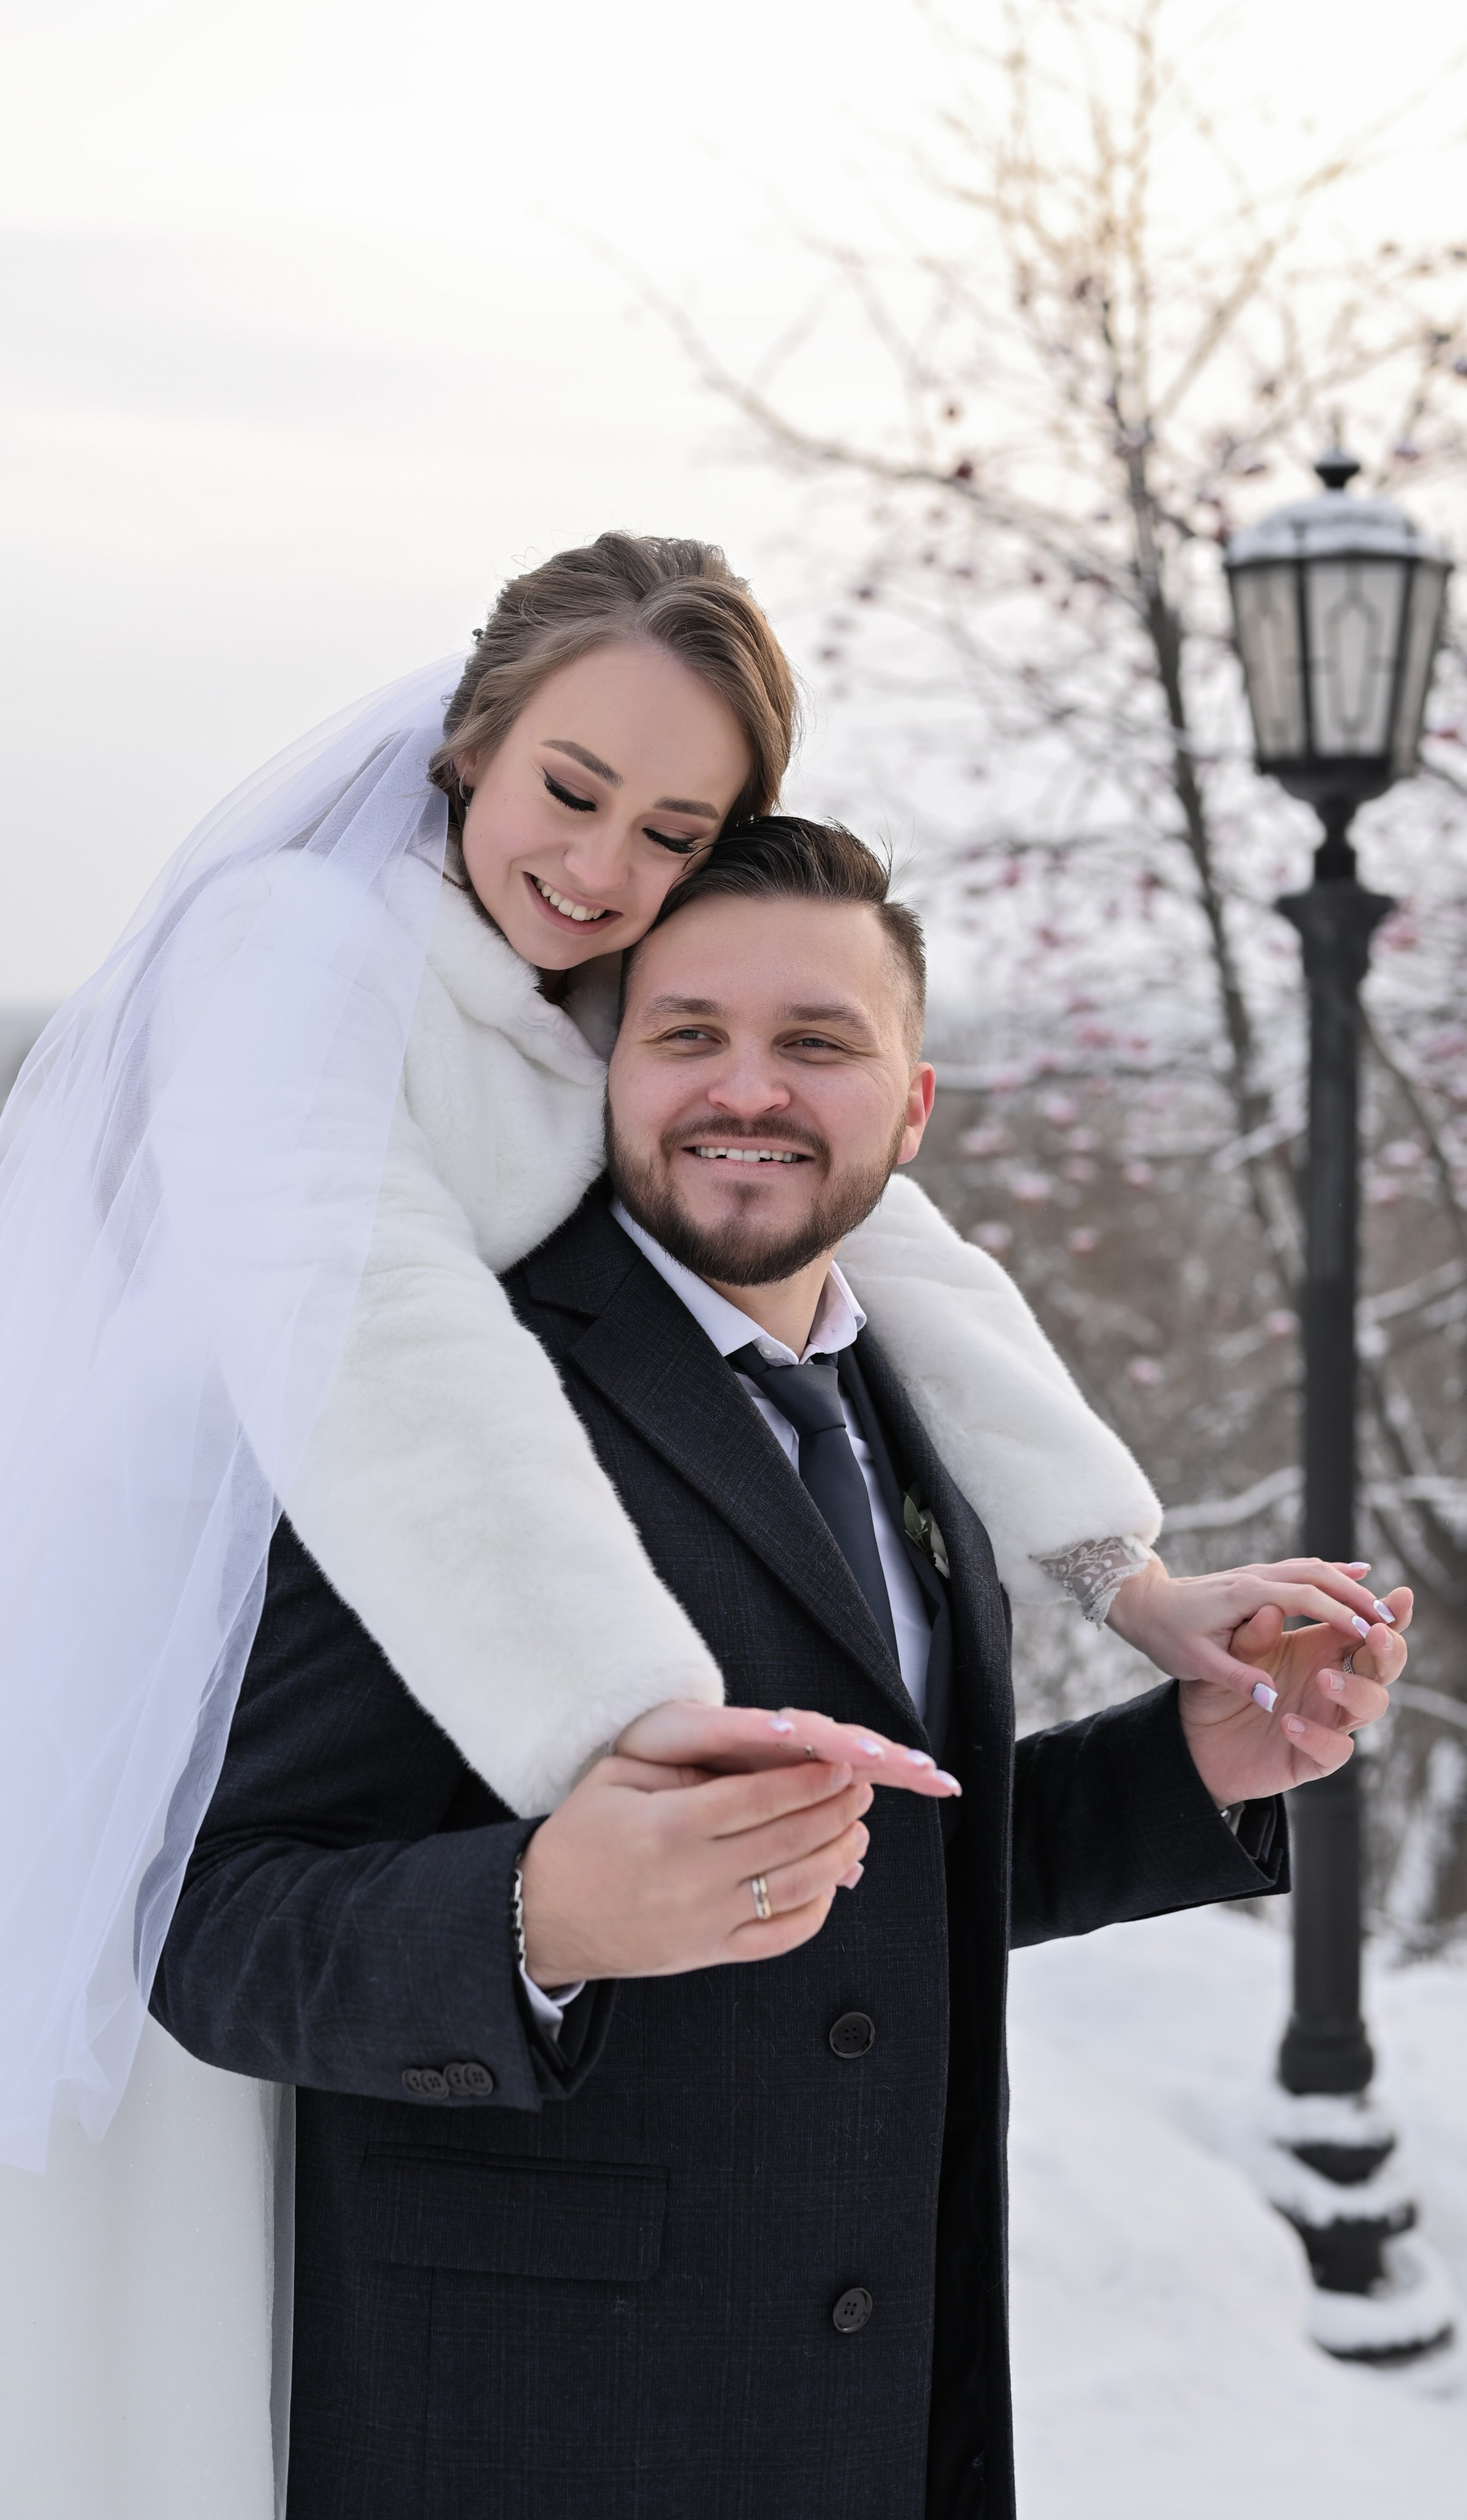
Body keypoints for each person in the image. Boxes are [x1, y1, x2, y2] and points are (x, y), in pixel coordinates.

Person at [0, 537, 1397, 2514]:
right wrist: (593, 1796)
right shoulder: (306, 986)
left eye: (672, 827)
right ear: (472, 745)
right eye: (570, 790)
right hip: (511, 2400)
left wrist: (1160, 1657)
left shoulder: (848, 1359)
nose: (600, 861)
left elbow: (857, 1817)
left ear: (908, 1103)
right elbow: (363, 1411)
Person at [151, 816, 1408, 2519]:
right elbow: (216, 1926)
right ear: (610, 1068)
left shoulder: (915, 1411)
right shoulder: (442, 1397)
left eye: (815, 1042)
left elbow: (860, 1862)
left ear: (912, 1106)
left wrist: (1194, 1767)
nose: (745, 1088)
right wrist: (539, 1922)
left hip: (873, 2429)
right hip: (534, 2444)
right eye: (687, 1034)